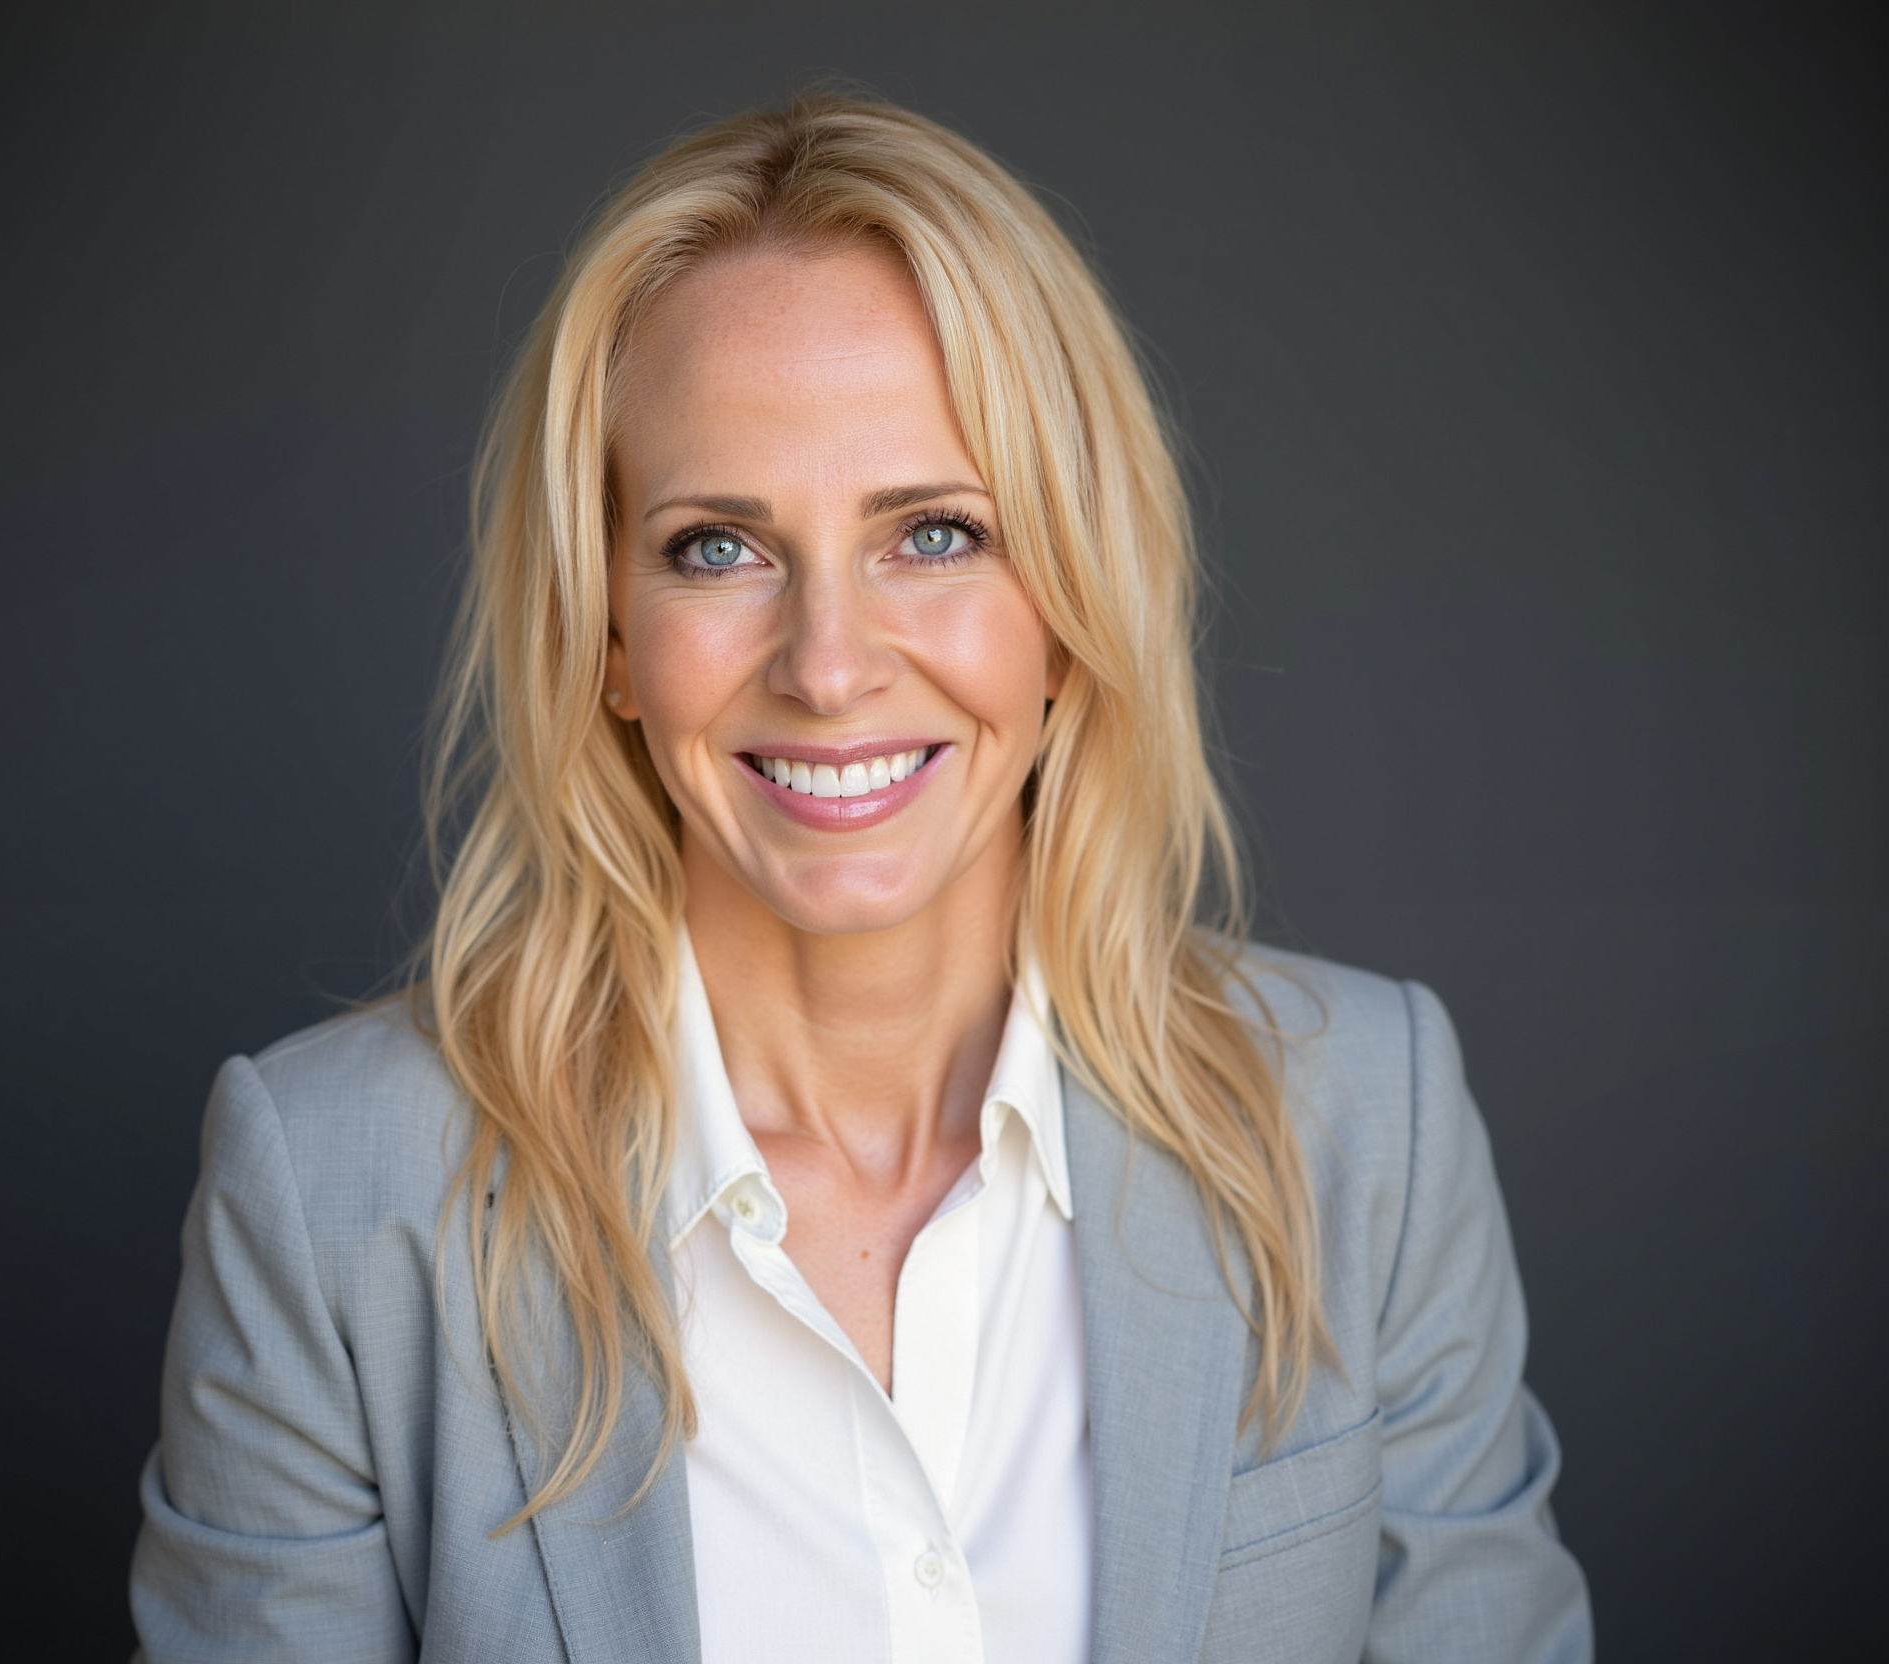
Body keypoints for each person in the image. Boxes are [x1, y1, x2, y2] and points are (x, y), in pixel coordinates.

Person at [130, 93, 1591, 1663]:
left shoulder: (1368, 1127)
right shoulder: (333, 1196)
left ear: (1070, 604)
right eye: (717, 547)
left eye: (936, 534)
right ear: (606, 634)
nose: (828, 668)